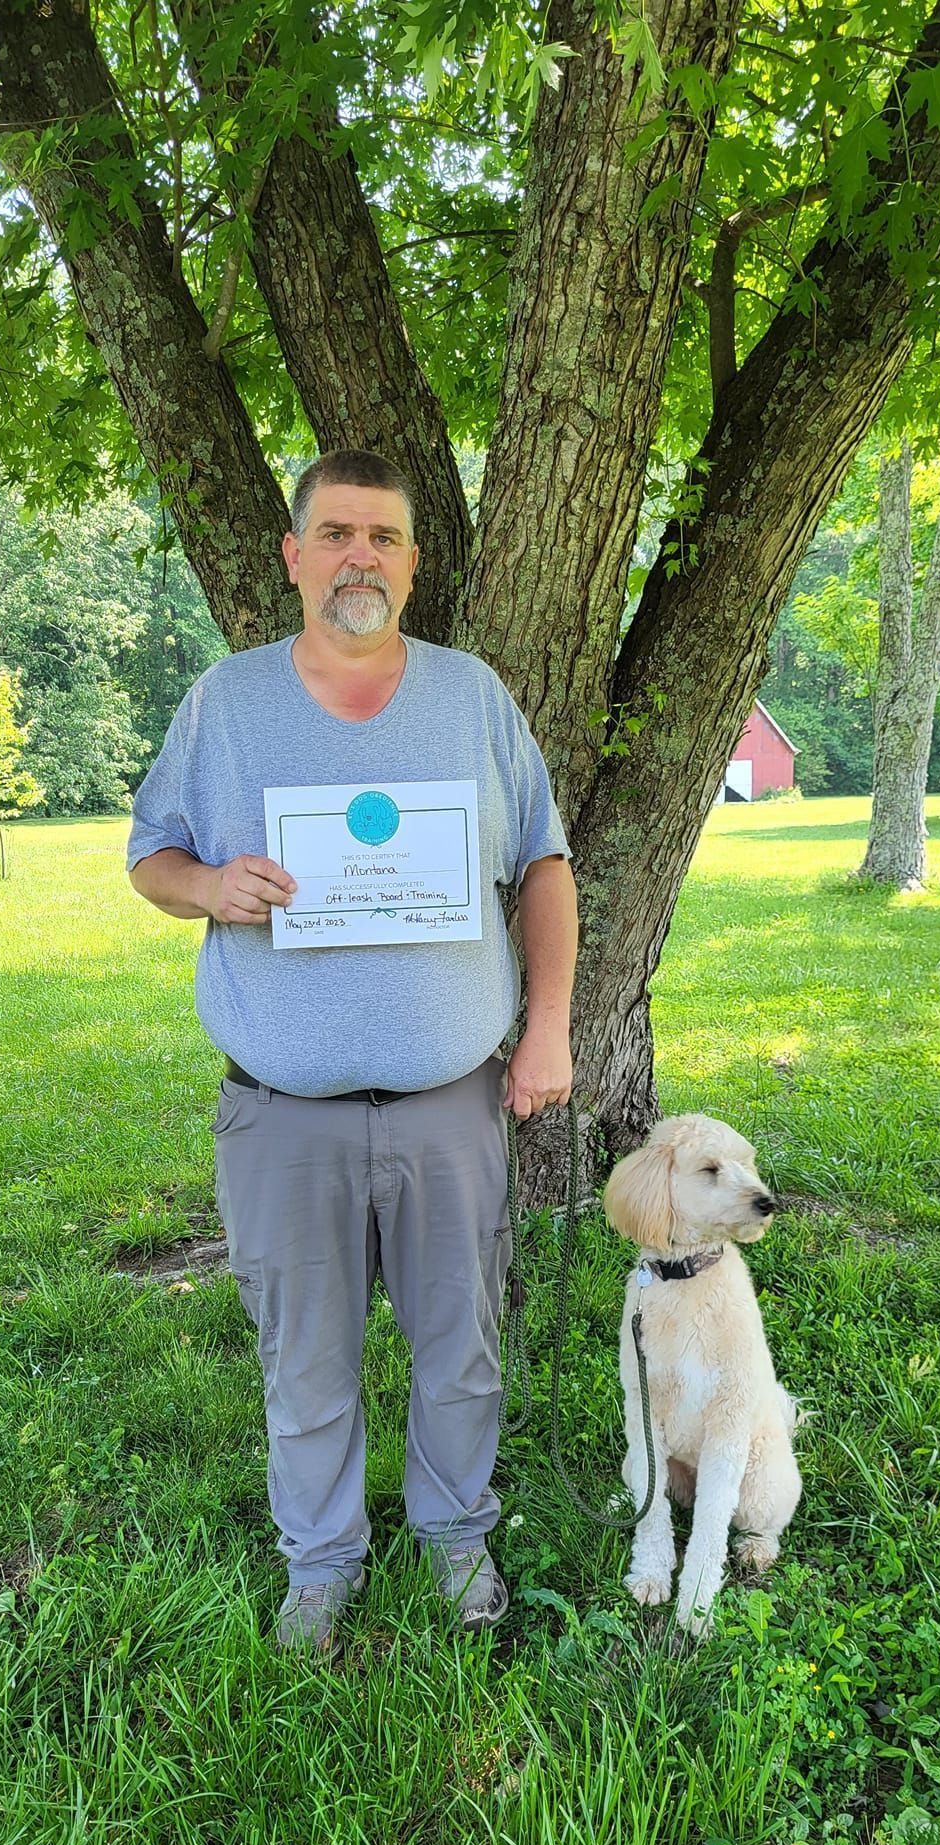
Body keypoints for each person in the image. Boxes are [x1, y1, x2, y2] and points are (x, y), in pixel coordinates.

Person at [127, 449, 576, 1654]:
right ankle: (321, 1562)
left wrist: (549, 1027)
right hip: (284, 1108)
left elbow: (541, 861)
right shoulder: (226, 702)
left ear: (415, 562)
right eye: (335, 533)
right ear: (293, 554)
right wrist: (211, 884)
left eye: (382, 536)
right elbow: (150, 856)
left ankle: (455, 1535)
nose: (358, 557)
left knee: (459, 1343)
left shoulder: (474, 696)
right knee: (306, 1352)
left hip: (449, 1101)